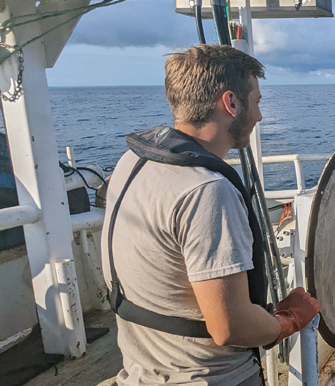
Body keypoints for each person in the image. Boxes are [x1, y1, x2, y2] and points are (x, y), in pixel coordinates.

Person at [102, 45, 320, 386]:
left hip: (141, 372)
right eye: (258, 102)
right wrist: (290, 320)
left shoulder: (132, 162)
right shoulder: (206, 191)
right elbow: (230, 327)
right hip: (212, 377)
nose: (260, 115)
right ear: (231, 103)